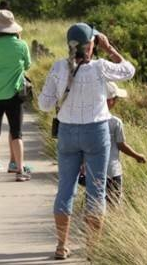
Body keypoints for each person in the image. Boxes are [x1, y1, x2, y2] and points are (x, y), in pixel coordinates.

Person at [37, 23, 135, 259]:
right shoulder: (101, 67)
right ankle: (92, 248)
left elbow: (44, 104)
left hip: (68, 133)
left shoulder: (60, 67)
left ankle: (61, 246)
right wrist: (109, 47)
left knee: (65, 190)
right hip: (96, 132)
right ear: (91, 45)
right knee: (96, 190)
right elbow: (129, 70)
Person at [0, 10, 31, 182]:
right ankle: (19, 170)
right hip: (15, 93)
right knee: (16, 133)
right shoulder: (21, 45)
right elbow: (27, 64)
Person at [104, 82, 147, 205]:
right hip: (112, 171)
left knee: (95, 204)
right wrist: (138, 156)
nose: (116, 101)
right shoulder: (115, 122)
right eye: (116, 99)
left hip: (92, 171)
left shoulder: (87, 120)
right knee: (113, 204)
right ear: (110, 100)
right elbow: (121, 145)